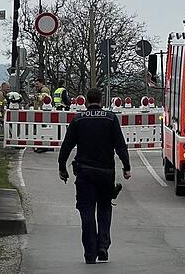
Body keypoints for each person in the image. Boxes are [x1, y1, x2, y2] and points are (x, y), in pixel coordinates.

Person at [58, 88, 131, 264]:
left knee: (86, 211)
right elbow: (120, 146)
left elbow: (66, 146)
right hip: (106, 173)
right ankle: (103, 246)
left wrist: (62, 167)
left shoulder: (78, 120)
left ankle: (90, 252)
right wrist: (126, 166)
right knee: (105, 208)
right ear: (101, 100)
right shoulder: (110, 119)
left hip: (84, 173)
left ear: (87, 101)